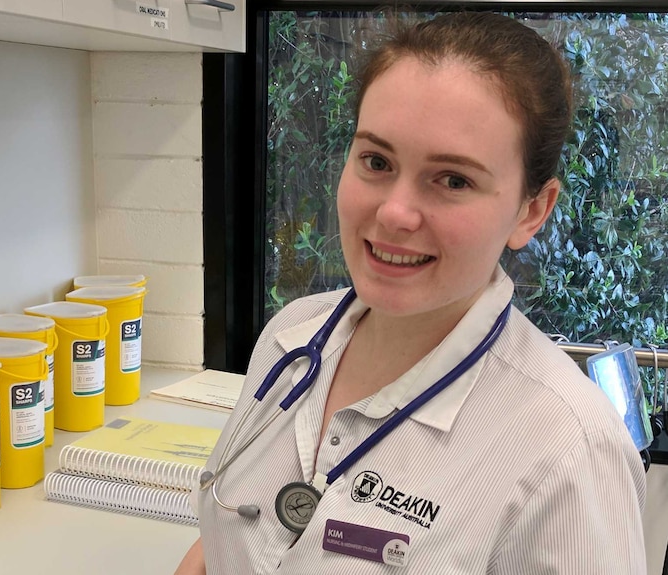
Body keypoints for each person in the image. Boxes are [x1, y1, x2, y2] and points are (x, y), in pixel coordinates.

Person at [176, 11, 646, 575]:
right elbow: (222, 538)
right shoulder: (289, 338)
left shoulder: (569, 450)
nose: (394, 212)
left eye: (453, 180)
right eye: (377, 161)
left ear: (531, 210)